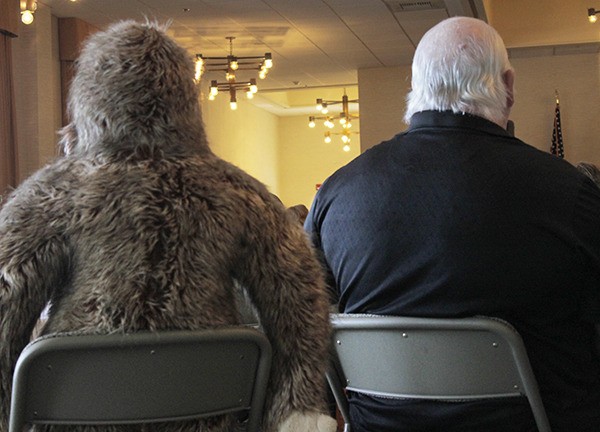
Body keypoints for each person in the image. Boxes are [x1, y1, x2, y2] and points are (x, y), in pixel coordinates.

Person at [0, 20, 336, 432]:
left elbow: (5, 296)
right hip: (206, 410)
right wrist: (293, 406)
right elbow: (299, 298)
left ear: (88, 101)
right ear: (186, 101)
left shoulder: (50, 196)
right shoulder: (240, 194)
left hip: (78, 414)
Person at [304, 16, 600, 432]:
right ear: (508, 85)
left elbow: (302, 325)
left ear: (415, 84)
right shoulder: (572, 193)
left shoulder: (334, 196)